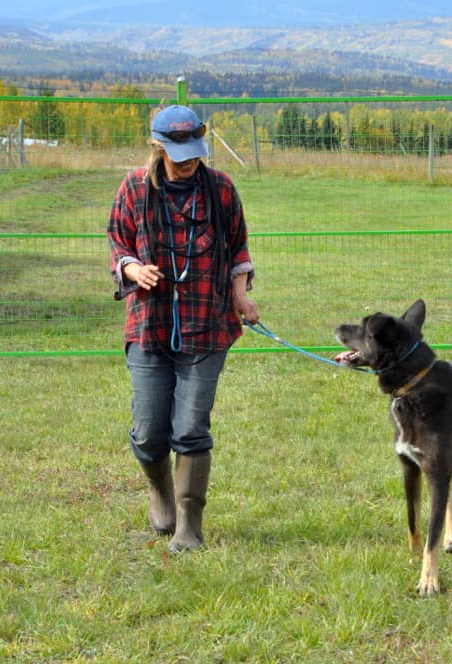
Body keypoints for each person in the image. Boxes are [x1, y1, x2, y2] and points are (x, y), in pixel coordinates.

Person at [108, 105, 258, 553]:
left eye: (194, 150)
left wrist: (240, 294)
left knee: (191, 428)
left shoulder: (221, 189)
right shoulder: (133, 188)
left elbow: (237, 247)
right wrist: (133, 270)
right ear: (157, 146)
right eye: (178, 152)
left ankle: (189, 527)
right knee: (149, 430)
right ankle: (160, 491)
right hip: (149, 325)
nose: (189, 160)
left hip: (208, 326)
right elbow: (118, 241)